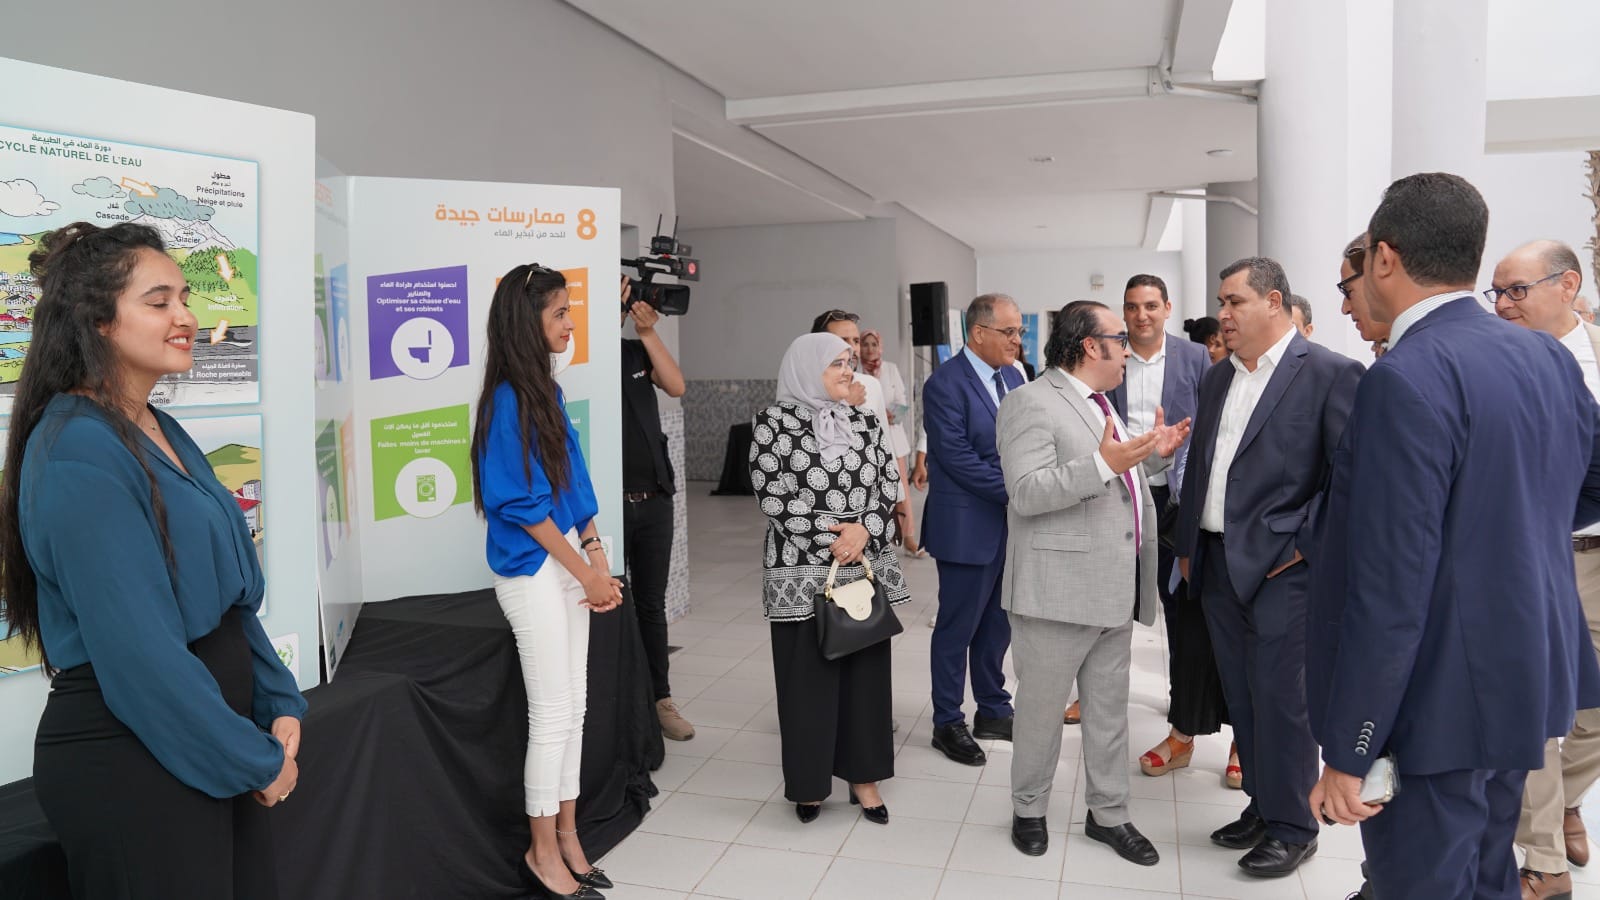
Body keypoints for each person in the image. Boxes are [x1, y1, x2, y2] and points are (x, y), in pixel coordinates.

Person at [1307, 173, 1600, 900]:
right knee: (1488, 873)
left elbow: (1390, 587)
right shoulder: (1546, 355)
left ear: (1384, 257)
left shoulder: (1405, 376)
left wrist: (1351, 746)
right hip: (1524, 679)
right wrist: (1505, 531)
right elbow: (1584, 485)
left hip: (1435, 705)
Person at [0, 222, 304, 899]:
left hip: (206, 739)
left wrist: (278, 700)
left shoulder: (158, 427)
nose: (186, 316)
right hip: (133, 759)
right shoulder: (76, 450)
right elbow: (140, 656)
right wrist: (252, 759)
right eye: (159, 301)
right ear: (98, 321)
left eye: (185, 298)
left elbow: (230, 602)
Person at [1175, 256, 1363, 878]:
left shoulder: (1330, 374)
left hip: (1286, 570)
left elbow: (1347, 480)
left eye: (1234, 302)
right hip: (1217, 563)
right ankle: (1262, 806)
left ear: (1274, 302)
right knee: (1244, 696)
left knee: (1284, 703)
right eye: (1221, 304)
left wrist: (1301, 547)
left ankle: (1294, 827)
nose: (1222, 315)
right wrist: (1188, 544)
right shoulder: (1217, 378)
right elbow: (1204, 466)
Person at [997, 300, 1190, 864]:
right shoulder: (1030, 401)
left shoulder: (1101, 403)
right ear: (1090, 345)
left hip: (1112, 588)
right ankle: (1028, 808)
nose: (1128, 349)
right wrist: (1107, 463)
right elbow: (1027, 492)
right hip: (1056, 592)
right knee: (1040, 714)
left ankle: (1109, 814)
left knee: (1108, 714)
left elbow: (1113, 474)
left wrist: (1152, 458)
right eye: (1119, 338)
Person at [472, 263, 623, 900]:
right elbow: (522, 506)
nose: (570, 323)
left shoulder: (547, 393)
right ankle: (541, 850)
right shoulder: (507, 399)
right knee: (553, 712)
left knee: (576, 707)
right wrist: (585, 571)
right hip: (532, 570)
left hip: (568, 564)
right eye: (559, 312)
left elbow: (574, 484)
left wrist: (595, 553)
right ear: (525, 321)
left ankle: (567, 835)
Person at [749, 332, 909, 824]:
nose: (848, 370)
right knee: (807, 683)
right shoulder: (772, 423)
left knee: (866, 679)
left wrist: (864, 531)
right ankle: (810, 784)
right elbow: (773, 496)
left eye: (850, 361)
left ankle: (865, 779)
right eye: (836, 363)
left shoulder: (863, 419)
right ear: (805, 368)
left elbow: (888, 483)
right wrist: (833, 540)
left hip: (860, 568)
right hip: (802, 572)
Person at [1487, 239, 1598, 899]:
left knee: (1591, 710)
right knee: (1536, 708)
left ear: (1568, 285)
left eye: (1517, 290)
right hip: (1541, 555)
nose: (1503, 304)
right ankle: (1545, 861)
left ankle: (1567, 800)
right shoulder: (1499, 360)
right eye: (1496, 292)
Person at [1107, 275, 1232, 787]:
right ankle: (1091, 697)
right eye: (1133, 306)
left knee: (1185, 614)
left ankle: (1187, 726)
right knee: (1109, 605)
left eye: (1151, 306)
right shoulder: (1108, 355)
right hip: (1119, 496)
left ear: (1167, 308)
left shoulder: (1196, 358)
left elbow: (1211, 429)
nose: (1142, 315)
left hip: (1177, 501)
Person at [922, 294, 1027, 766]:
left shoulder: (1013, 377)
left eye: (1019, 331)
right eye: (1009, 331)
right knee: (957, 627)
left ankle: (993, 709)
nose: (1017, 340)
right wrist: (1020, 490)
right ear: (978, 333)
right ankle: (947, 720)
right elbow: (956, 457)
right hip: (967, 525)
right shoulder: (945, 384)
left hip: (1009, 525)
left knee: (997, 624)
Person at [617, 277, 693, 743]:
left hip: (653, 499)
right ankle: (618, 704)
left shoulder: (634, 352)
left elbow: (676, 386)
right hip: (604, 506)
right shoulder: (575, 359)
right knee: (607, 604)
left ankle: (660, 699)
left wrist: (646, 331)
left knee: (650, 604)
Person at [860, 327, 923, 556]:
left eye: (874, 344)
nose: (870, 349)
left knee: (900, 490)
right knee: (870, 491)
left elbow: (902, 400)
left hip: (893, 439)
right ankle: (874, 538)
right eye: (865, 344)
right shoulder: (854, 371)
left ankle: (908, 537)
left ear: (880, 347)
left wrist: (890, 414)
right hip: (866, 439)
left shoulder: (890, 369)